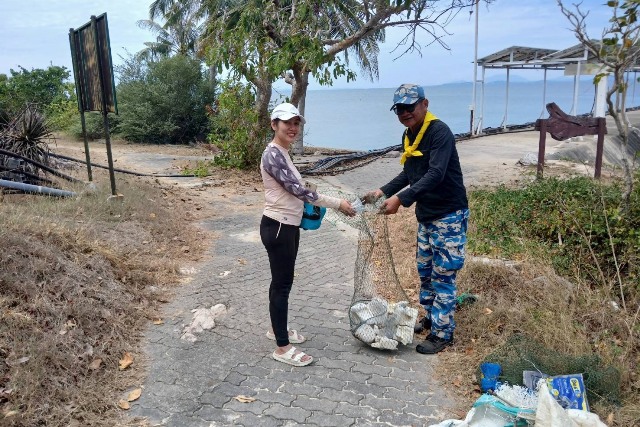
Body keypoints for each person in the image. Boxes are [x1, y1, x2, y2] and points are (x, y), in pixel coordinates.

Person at [364, 84, 469, 354]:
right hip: (427, 216)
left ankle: (443, 334)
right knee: (426, 273)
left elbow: (435, 174)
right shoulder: (408, 134)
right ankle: (432, 319)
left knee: (443, 275)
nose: (405, 113)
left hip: (448, 214)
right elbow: (410, 174)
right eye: (399, 109)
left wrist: (400, 200)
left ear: (424, 104)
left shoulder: (440, 132)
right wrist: (382, 192)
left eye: (410, 107)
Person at [260, 102, 356, 367]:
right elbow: (299, 191)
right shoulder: (273, 155)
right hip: (278, 226)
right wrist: (338, 203)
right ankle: (282, 347)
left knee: (282, 282)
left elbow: (298, 187)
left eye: (296, 123)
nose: (292, 128)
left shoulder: (283, 152)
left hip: (287, 225)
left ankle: (277, 330)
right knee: (282, 285)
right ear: (274, 124)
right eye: (287, 122)